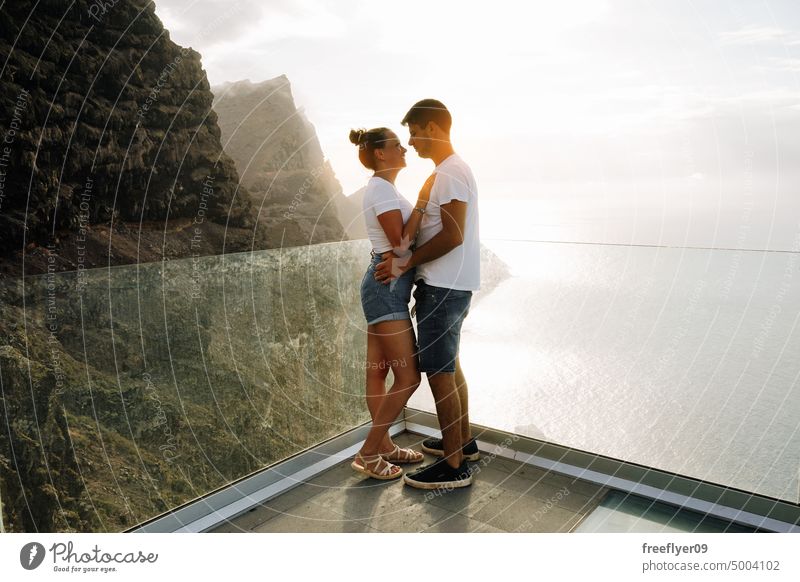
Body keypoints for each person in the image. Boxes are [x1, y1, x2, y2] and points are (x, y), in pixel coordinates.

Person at [374, 100, 480, 489]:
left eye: (415, 131)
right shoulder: (449, 172)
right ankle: (463, 443)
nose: (411, 141)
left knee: (438, 372)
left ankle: (453, 466)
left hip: (443, 286)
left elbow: (452, 235)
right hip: (454, 284)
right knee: (449, 366)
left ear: (433, 128)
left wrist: (405, 263)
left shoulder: (450, 173)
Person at [348, 126, 435, 480]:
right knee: (408, 376)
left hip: (384, 284)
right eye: (397, 145)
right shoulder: (381, 189)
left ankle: (382, 445)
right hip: (387, 285)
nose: (405, 149)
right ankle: (369, 453)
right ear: (380, 154)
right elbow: (400, 244)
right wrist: (423, 204)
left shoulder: (382, 188)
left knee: (378, 372)